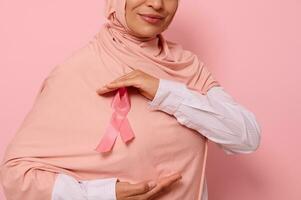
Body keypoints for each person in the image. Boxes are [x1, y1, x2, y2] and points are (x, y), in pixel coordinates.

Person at [0, 0, 261, 199]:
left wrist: (163, 91)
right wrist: (108, 193)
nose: (157, 4)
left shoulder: (187, 67)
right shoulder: (77, 71)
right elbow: (15, 178)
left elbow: (245, 137)